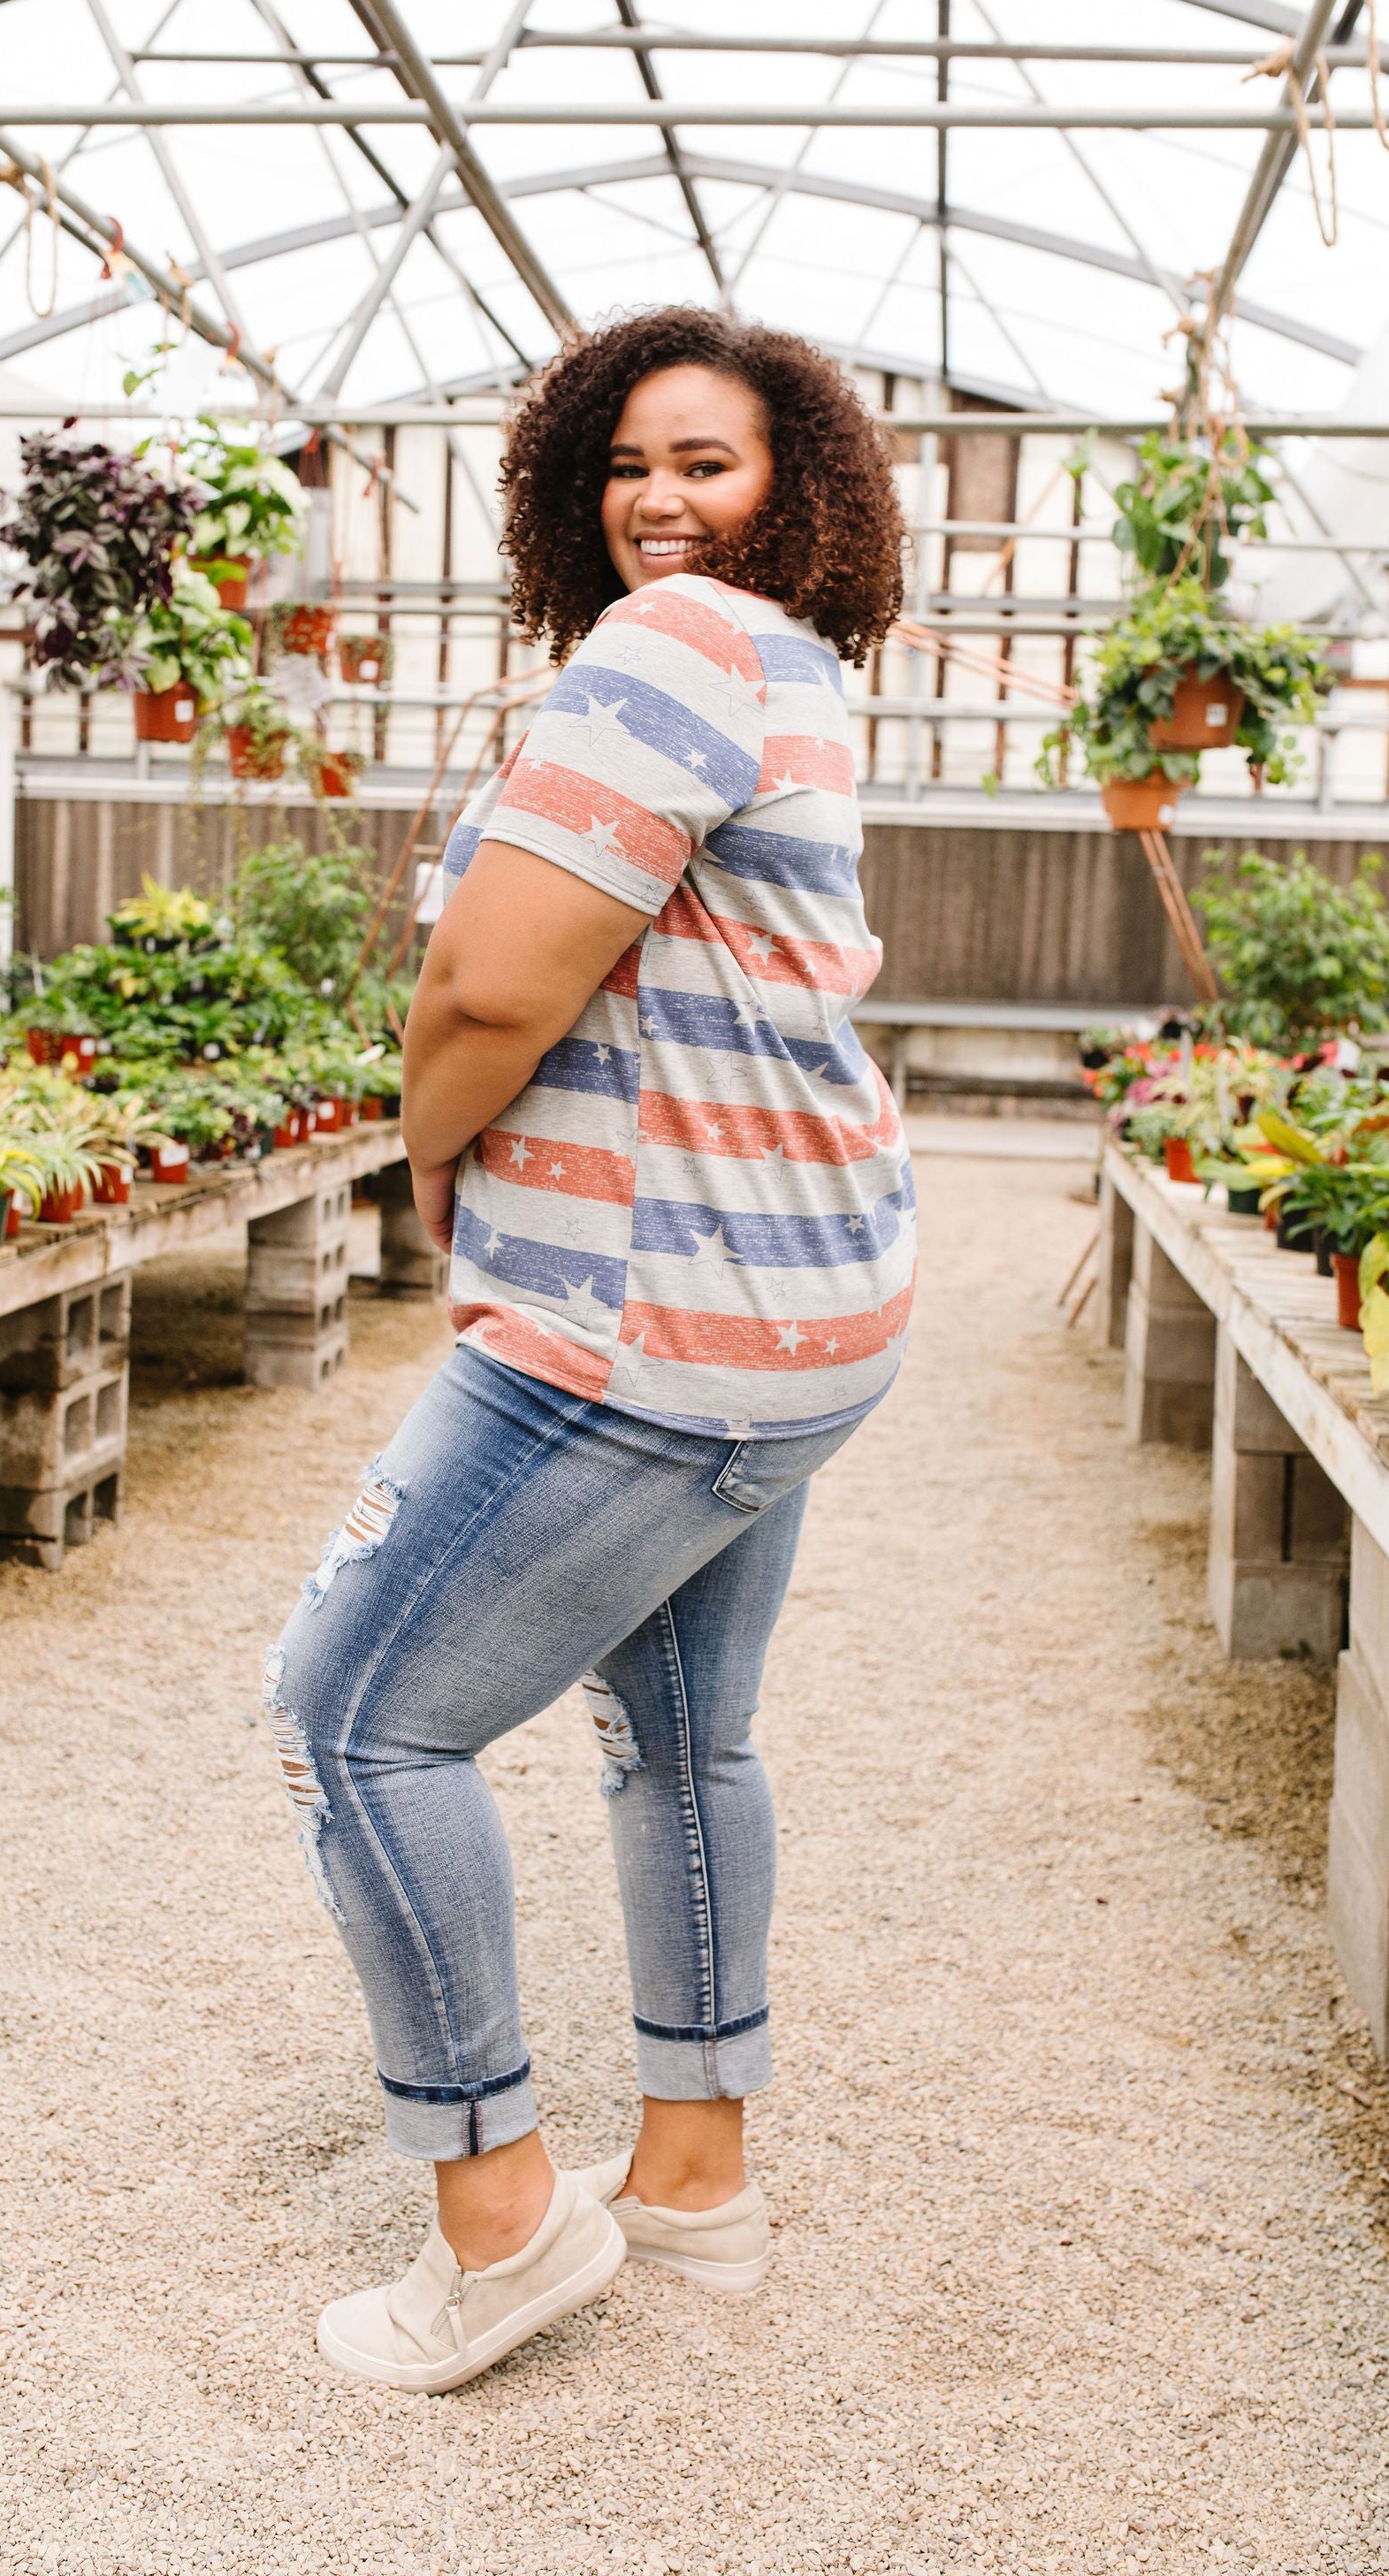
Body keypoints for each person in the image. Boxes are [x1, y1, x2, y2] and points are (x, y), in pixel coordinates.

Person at [265, 306, 912, 2391]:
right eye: (628, 464)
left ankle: (501, 2223)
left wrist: (429, 1162)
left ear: (794, 489)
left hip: (640, 1316)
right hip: (794, 1307)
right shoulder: (788, 666)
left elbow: (488, 989)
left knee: (356, 1721)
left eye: (705, 461)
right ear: (573, 486)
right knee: (685, 1737)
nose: (659, 499)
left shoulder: (678, 646)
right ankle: (695, 2182)